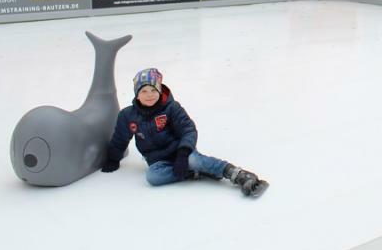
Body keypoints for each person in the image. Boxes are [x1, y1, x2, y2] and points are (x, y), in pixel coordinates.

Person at [102, 67, 268, 197]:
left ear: (159, 91)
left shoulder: (172, 108)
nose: (149, 95)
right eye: (144, 91)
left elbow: (188, 129)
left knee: (194, 160)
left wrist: (182, 153)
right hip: (157, 161)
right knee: (153, 177)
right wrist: (112, 159)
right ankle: (193, 172)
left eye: (153, 90)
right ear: (137, 94)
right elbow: (120, 139)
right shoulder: (127, 115)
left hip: (181, 151)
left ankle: (237, 174)